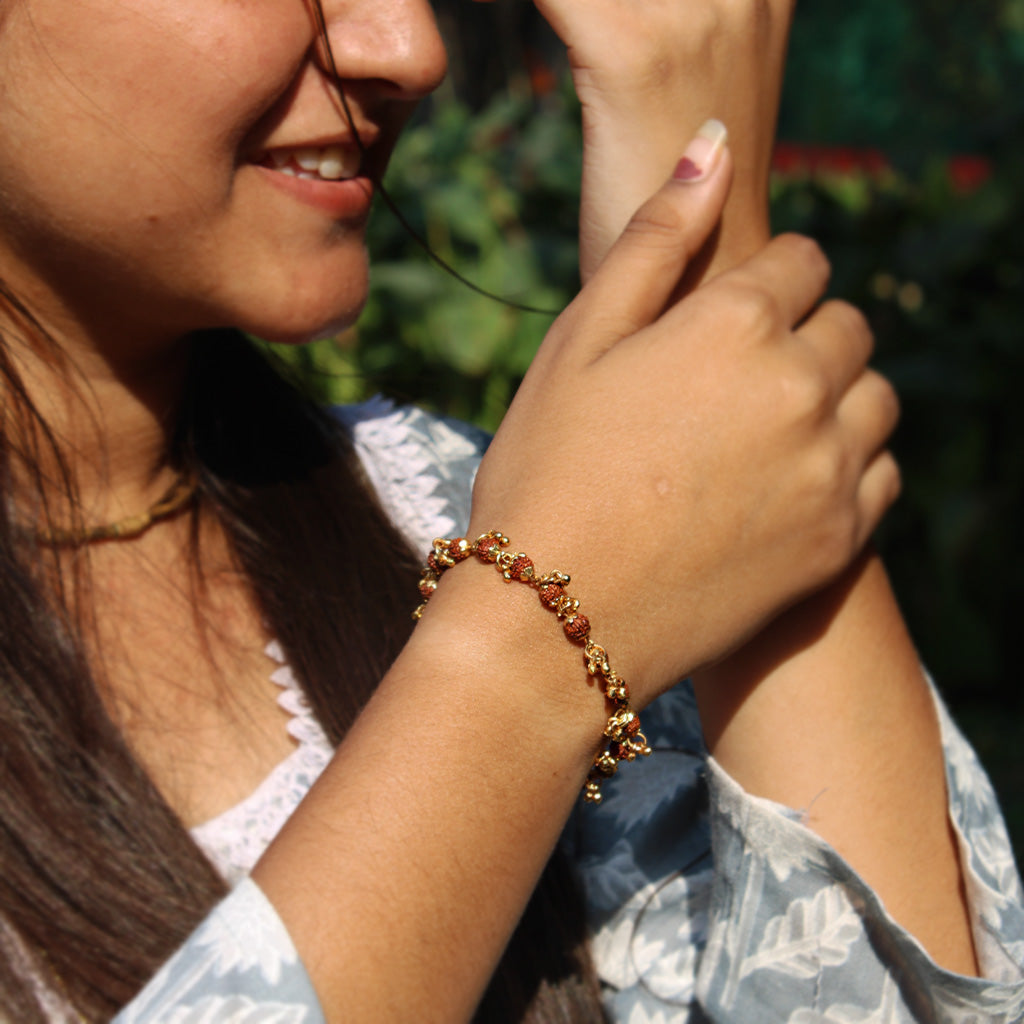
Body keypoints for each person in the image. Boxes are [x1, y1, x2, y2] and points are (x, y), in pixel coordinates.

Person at [0, 0, 1019, 1022]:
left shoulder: (449, 511)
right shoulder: (540, 561)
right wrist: (531, 651)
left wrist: (702, 270)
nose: (407, 48)